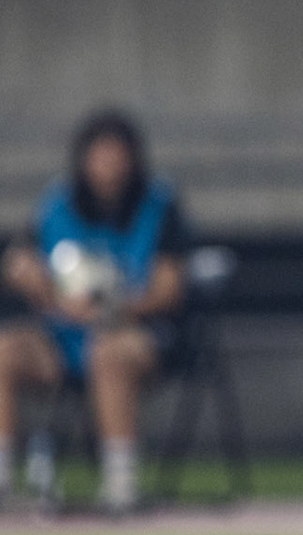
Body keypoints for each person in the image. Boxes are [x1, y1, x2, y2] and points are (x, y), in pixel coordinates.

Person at [0, 110, 187, 512]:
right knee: (3, 350)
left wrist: (110, 309)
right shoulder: (57, 204)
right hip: (61, 336)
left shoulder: (158, 205)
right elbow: (20, 262)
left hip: (133, 334)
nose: (109, 166)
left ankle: (120, 483)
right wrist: (36, 282)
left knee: (108, 352)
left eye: (117, 156)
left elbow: (169, 287)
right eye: (100, 156)